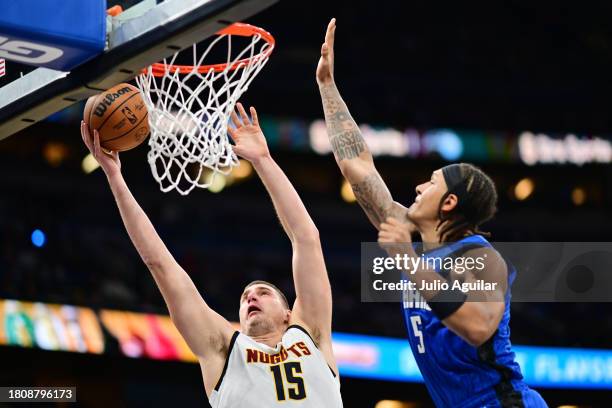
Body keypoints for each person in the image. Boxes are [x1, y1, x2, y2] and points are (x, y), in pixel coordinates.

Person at [316, 18, 547, 408]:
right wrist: (326, 86)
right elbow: (357, 166)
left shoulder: (481, 258)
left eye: (431, 182)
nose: (419, 188)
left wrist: (406, 259)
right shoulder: (415, 236)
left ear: (450, 202)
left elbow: (477, 326)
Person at [80, 103, 343, 407]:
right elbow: (161, 266)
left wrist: (263, 160)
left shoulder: (311, 332)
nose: (250, 298)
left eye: (262, 293)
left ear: (289, 315)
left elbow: (306, 238)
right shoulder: (222, 348)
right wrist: (115, 178)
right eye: (246, 297)